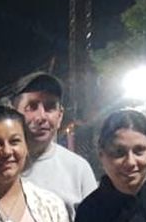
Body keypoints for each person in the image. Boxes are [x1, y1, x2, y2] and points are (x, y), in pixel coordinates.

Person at [11, 72, 98, 213]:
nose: (42, 117)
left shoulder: (78, 169)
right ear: (14, 113)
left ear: (60, 115)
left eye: (50, 107)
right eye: (32, 107)